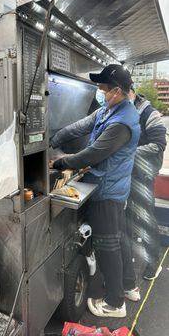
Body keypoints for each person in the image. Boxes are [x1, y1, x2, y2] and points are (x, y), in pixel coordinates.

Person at [50, 64, 140, 318]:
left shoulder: (122, 122)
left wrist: (60, 161)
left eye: (103, 88)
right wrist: (52, 141)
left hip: (108, 191)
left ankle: (115, 303)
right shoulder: (109, 110)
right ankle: (129, 286)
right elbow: (80, 126)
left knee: (107, 245)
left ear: (118, 91)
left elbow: (93, 153)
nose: (100, 92)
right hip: (109, 185)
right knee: (118, 237)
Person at [128, 88, 167, 280]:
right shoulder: (123, 110)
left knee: (146, 217)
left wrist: (127, 152)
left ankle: (154, 263)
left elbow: (158, 144)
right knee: (130, 216)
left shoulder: (149, 113)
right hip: (129, 173)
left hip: (143, 174)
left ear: (131, 92)